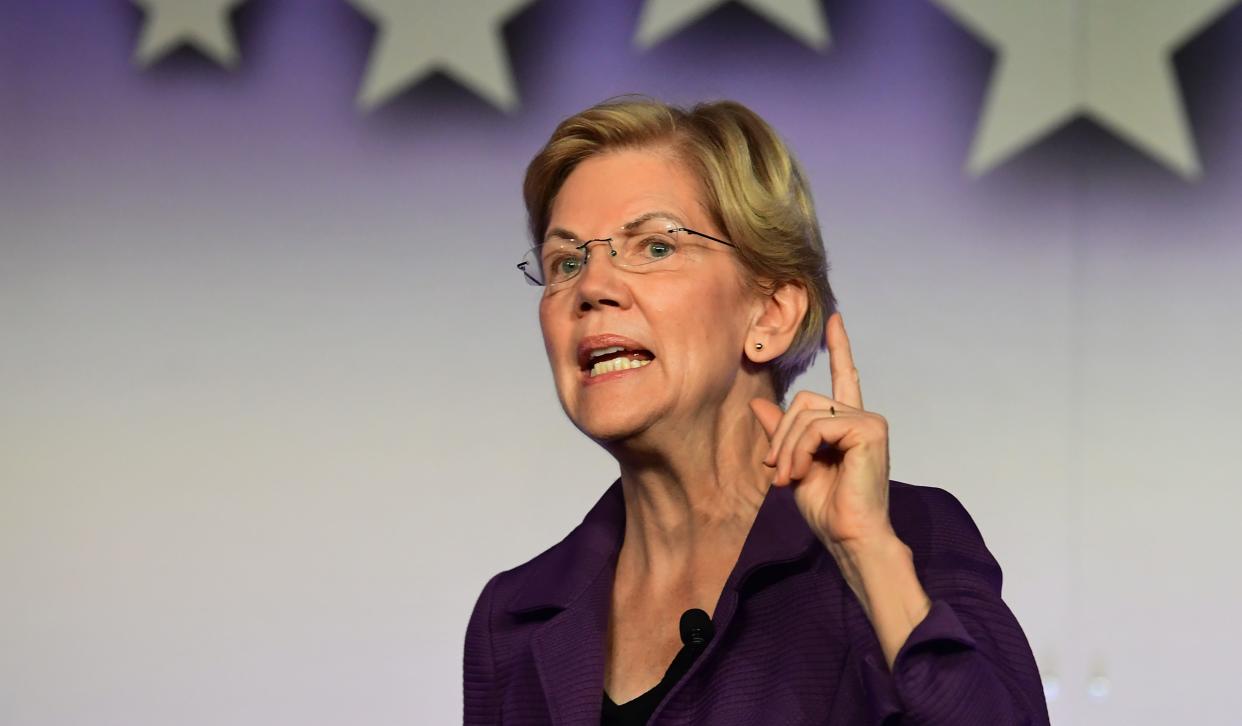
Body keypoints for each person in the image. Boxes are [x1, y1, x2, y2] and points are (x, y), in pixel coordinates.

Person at [463, 97, 1049, 725]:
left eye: (655, 247)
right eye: (567, 262)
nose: (591, 288)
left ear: (770, 313)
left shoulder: (909, 539)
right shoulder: (515, 618)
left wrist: (868, 555)